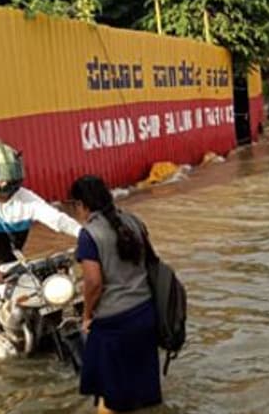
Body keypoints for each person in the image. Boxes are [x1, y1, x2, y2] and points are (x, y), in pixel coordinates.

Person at [0, 140, 82, 365]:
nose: (7, 184)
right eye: (2, 176)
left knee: (47, 303)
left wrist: (85, 234)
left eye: (11, 175)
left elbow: (55, 218)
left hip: (13, 265)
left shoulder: (24, 196)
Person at [68, 175, 162, 413]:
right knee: (143, 394)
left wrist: (87, 315)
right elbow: (152, 263)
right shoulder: (133, 221)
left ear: (82, 205)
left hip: (114, 324)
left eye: (74, 206)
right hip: (145, 314)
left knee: (110, 400)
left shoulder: (89, 234)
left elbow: (94, 282)